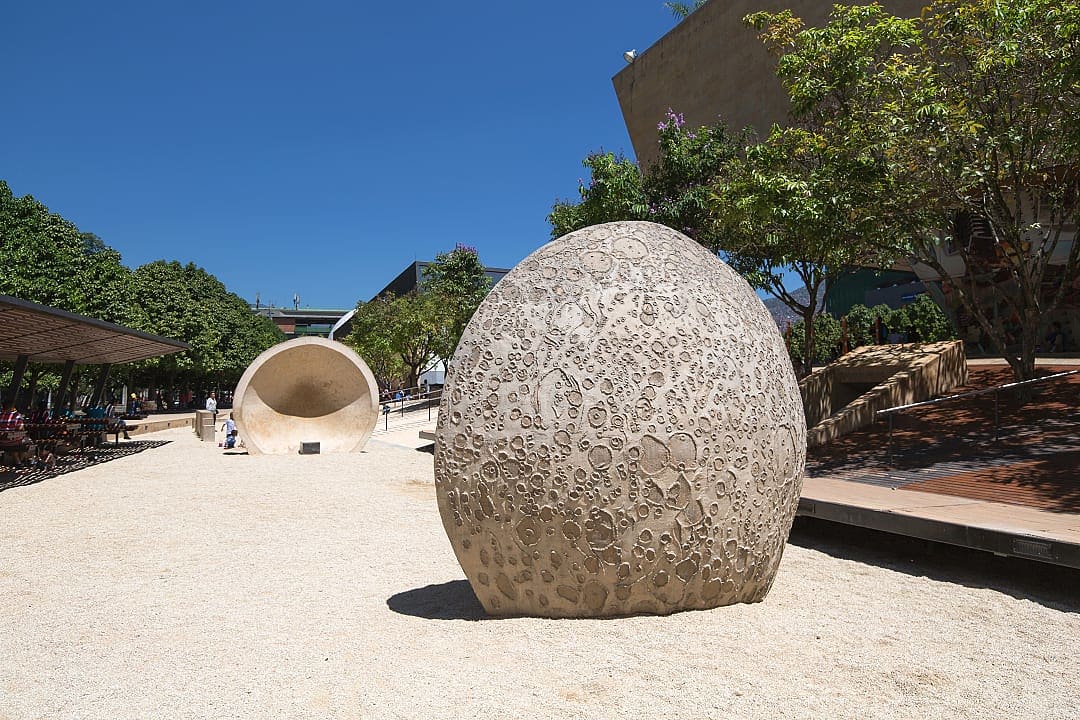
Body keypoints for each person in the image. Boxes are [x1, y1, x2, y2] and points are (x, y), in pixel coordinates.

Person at [0, 400, 35, 468]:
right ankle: (21, 460)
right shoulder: (16, 416)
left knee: (16, 442)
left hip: (1, 441)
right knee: (29, 441)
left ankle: (18, 461)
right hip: (13, 441)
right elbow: (21, 428)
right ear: (12, 407)